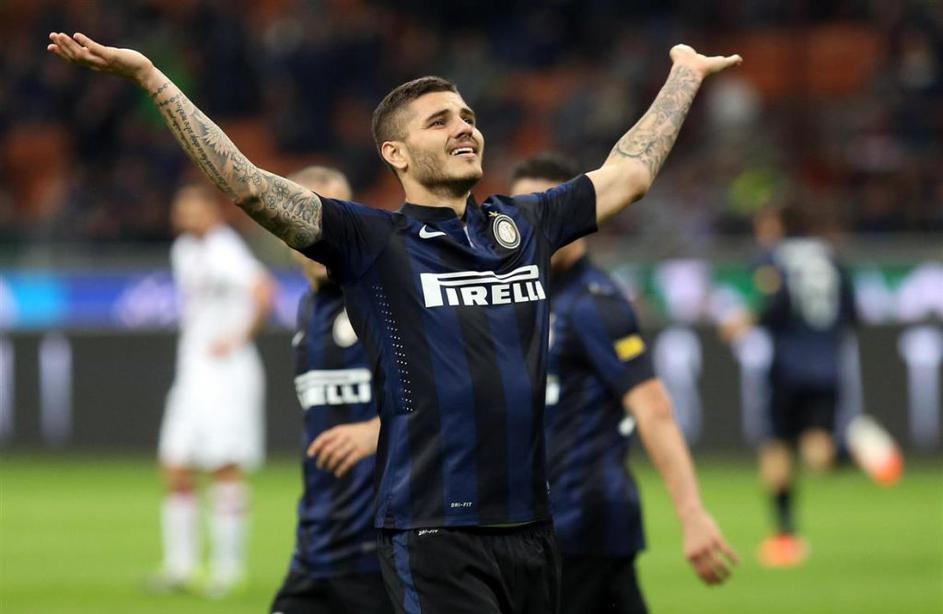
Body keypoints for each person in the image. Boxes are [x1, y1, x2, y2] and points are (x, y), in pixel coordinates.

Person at [47, 31, 741, 613]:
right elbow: (248, 184)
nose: (463, 126)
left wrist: (683, 75)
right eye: (438, 121)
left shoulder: (525, 226)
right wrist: (153, 79)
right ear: (395, 155)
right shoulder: (373, 243)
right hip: (434, 534)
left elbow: (629, 174)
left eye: (466, 115)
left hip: (534, 529)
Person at [511, 154, 737, 614]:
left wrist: (691, 513)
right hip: (536, 523)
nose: (530, 225)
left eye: (542, 210)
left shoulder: (594, 303)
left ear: (571, 218)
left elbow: (653, 409)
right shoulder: (520, 296)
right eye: (521, 212)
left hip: (585, 521)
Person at [270, 166, 392, 614]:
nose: (322, 231)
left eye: (333, 215)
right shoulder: (308, 308)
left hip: (379, 552)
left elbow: (457, 390)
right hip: (316, 547)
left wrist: (377, 430)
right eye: (308, 216)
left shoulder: (385, 298)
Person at [722, 204, 859, 567]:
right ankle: (858, 449)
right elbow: (853, 313)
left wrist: (745, 321)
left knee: (776, 449)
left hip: (787, 368)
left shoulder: (773, 258)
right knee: (817, 453)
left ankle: (784, 538)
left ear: (778, 226)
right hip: (828, 367)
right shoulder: (831, 256)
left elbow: (776, 303)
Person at [156, 183, 275, 596]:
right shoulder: (184, 250)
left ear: (214, 212)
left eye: (196, 209)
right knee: (175, 465)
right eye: (182, 209)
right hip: (192, 372)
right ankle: (180, 567)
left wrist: (238, 337)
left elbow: (265, 291)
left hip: (226, 374)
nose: (188, 216)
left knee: (225, 466)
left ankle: (228, 569)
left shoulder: (225, 248)